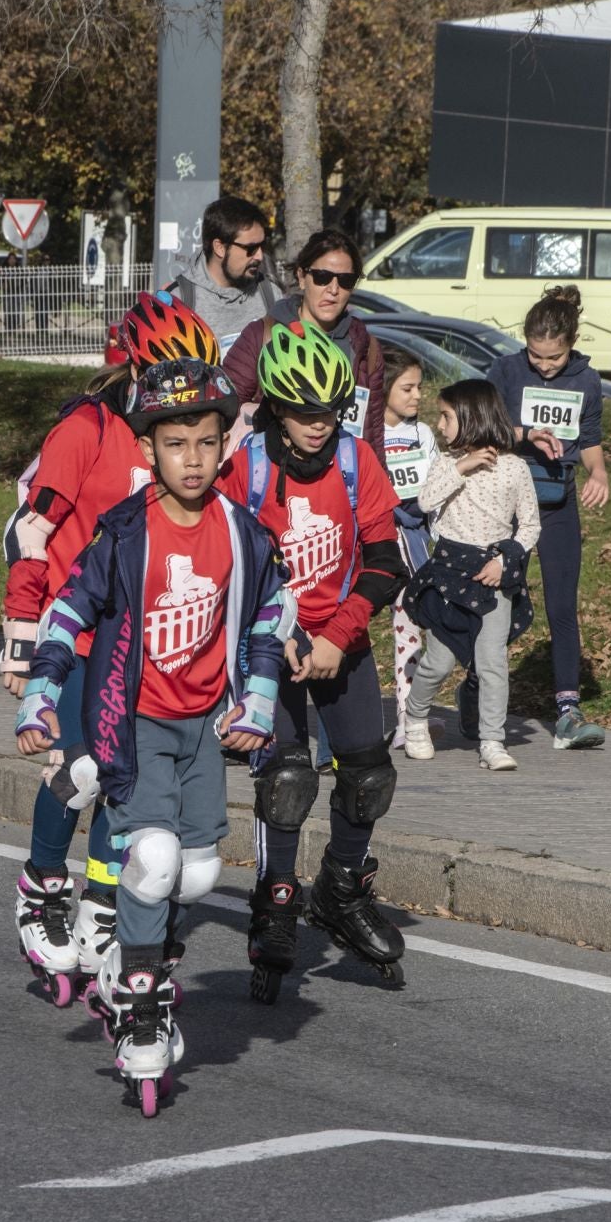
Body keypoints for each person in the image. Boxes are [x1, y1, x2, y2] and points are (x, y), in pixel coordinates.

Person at [16, 359, 287, 1115]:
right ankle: (141, 1005)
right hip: (130, 723)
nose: (193, 459)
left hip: (204, 727)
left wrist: (257, 702)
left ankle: (136, 961)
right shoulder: (126, 533)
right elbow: (69, 614)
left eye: (206, 442)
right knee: (155, 857)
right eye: (176, 444)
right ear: (148, 452)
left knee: (196, 877)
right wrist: (40, 699)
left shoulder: (241, 532)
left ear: (225, 446)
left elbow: (271, 611)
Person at [0, 290, 224, 1005]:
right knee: (80, 770)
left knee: (126, 786)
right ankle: (41, 885)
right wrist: (20, 643)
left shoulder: (178, 445)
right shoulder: (88, 429)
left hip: (141, 644)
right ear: (133, 367)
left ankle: (101, 911)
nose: (182, 403)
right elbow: (30, 533)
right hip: (75, 632)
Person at [214, 320, 410, 1001]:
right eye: (303, 413)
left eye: (329, 411)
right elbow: (228, 566)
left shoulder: (358, 463)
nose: (318, 426)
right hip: (269, 642)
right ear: (272, 406)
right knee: (289, 779)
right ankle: (275, 901)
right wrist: (280, 635)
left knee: (369, 777)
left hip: (340, 640)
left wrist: (338, 635)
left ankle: (341, 888)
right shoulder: (247, 469)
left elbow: (388, 562)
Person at [474, 284, 609, 751]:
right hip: (505, 506)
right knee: (496, 603)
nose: (545, 366)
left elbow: (589, 438)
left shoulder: (587, 381)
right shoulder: (507, 371)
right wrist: (527, 434)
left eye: (554, 359)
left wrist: (599, 474)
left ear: (570, 343)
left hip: (556, 506)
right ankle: (477, 690)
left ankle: (568, 711)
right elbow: (482, 428)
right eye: (537, 356)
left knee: (561, 607)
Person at [401, 379, 541, 770]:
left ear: (471, 417)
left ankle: (492, 741)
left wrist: (505, 560)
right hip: (449, 575)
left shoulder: (514, 469)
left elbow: (530, 525)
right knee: (439, 662)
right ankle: (414, 717)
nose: (440, 425)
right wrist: (461, 466)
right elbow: (425, 502)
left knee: (491, 662)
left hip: (494, 575)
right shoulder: (446, 464)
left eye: (446, 416)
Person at [223, 227, 387, 459]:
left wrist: (380, 488)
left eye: (346, 280)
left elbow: (374, 434)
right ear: (301, 277)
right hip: (273, 477)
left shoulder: (366, 348)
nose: (333, 290)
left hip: (344, 480)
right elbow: (223, 410)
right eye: (322, 277)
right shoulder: (261, 335)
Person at [379, 346, 437, 752]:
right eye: (408, 388)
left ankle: (407, 718)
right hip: (377, 541)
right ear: (384, 389)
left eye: (420, 388)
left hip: (416, 544)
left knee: (410, 631)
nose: (417, 396)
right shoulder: (367, 434)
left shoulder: (425, 433)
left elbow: (432, 488)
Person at [163, 195, 281, 351]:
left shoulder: (271, 296)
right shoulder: (179, 301)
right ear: (219, 247)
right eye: (251, 248)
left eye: (262, 245)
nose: (259, 256)